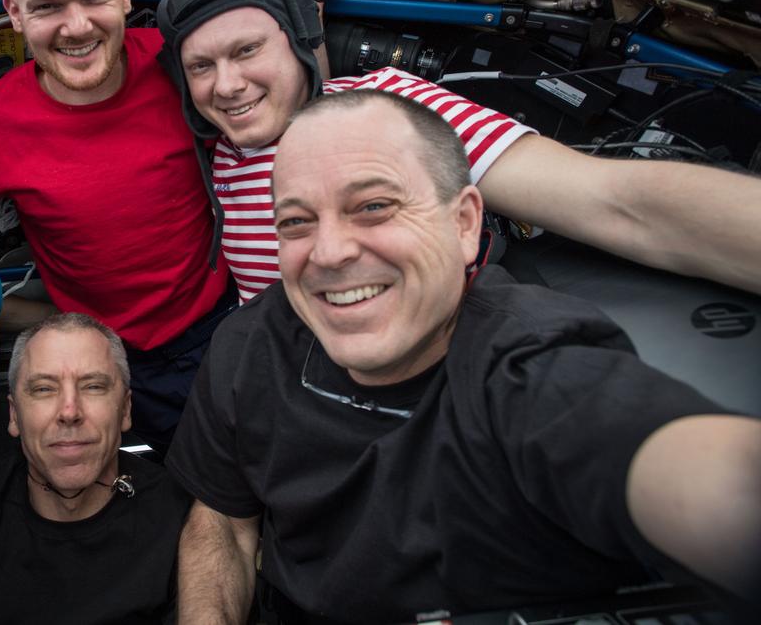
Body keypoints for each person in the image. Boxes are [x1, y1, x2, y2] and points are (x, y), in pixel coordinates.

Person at [167, 91, 761, 624]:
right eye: (296, 221)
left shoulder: (526, 368)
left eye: (373, 206)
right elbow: (223, 520)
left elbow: (699, 478)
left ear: (465, 223)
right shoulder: (248, 344)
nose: (329, 251)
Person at [155, 0, 761, 299]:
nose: (226, 85)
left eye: (247, 51)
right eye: (201, 66)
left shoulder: (388, 104)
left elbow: (614, 201)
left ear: (298, 41)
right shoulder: (218, 149)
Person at [0, 0, 235, 455]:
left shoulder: (186, 68)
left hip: (217, 331)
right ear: (15, 14)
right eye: (47, 6)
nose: (76, 27)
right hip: (95, 354)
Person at [0, 312, 189, 624]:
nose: (69, 411)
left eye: (93, 386)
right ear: (15, 416)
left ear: (126, 410)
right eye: (44, 389)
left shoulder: (182, 520)